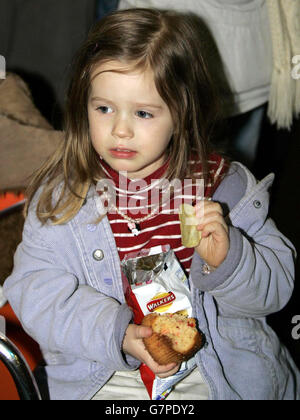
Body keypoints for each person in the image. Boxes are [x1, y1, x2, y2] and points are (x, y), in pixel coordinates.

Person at [3, 8, 300, 400]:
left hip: (217, 371)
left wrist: (230, 261)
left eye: (143, 113)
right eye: (103, 108)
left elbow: (276, 289)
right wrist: (118, 334)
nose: (120, 129)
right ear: (83, 104)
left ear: (180, 113)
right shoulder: (63, 198)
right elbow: (35, 294)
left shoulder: (221, 189)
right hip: (104, 372)